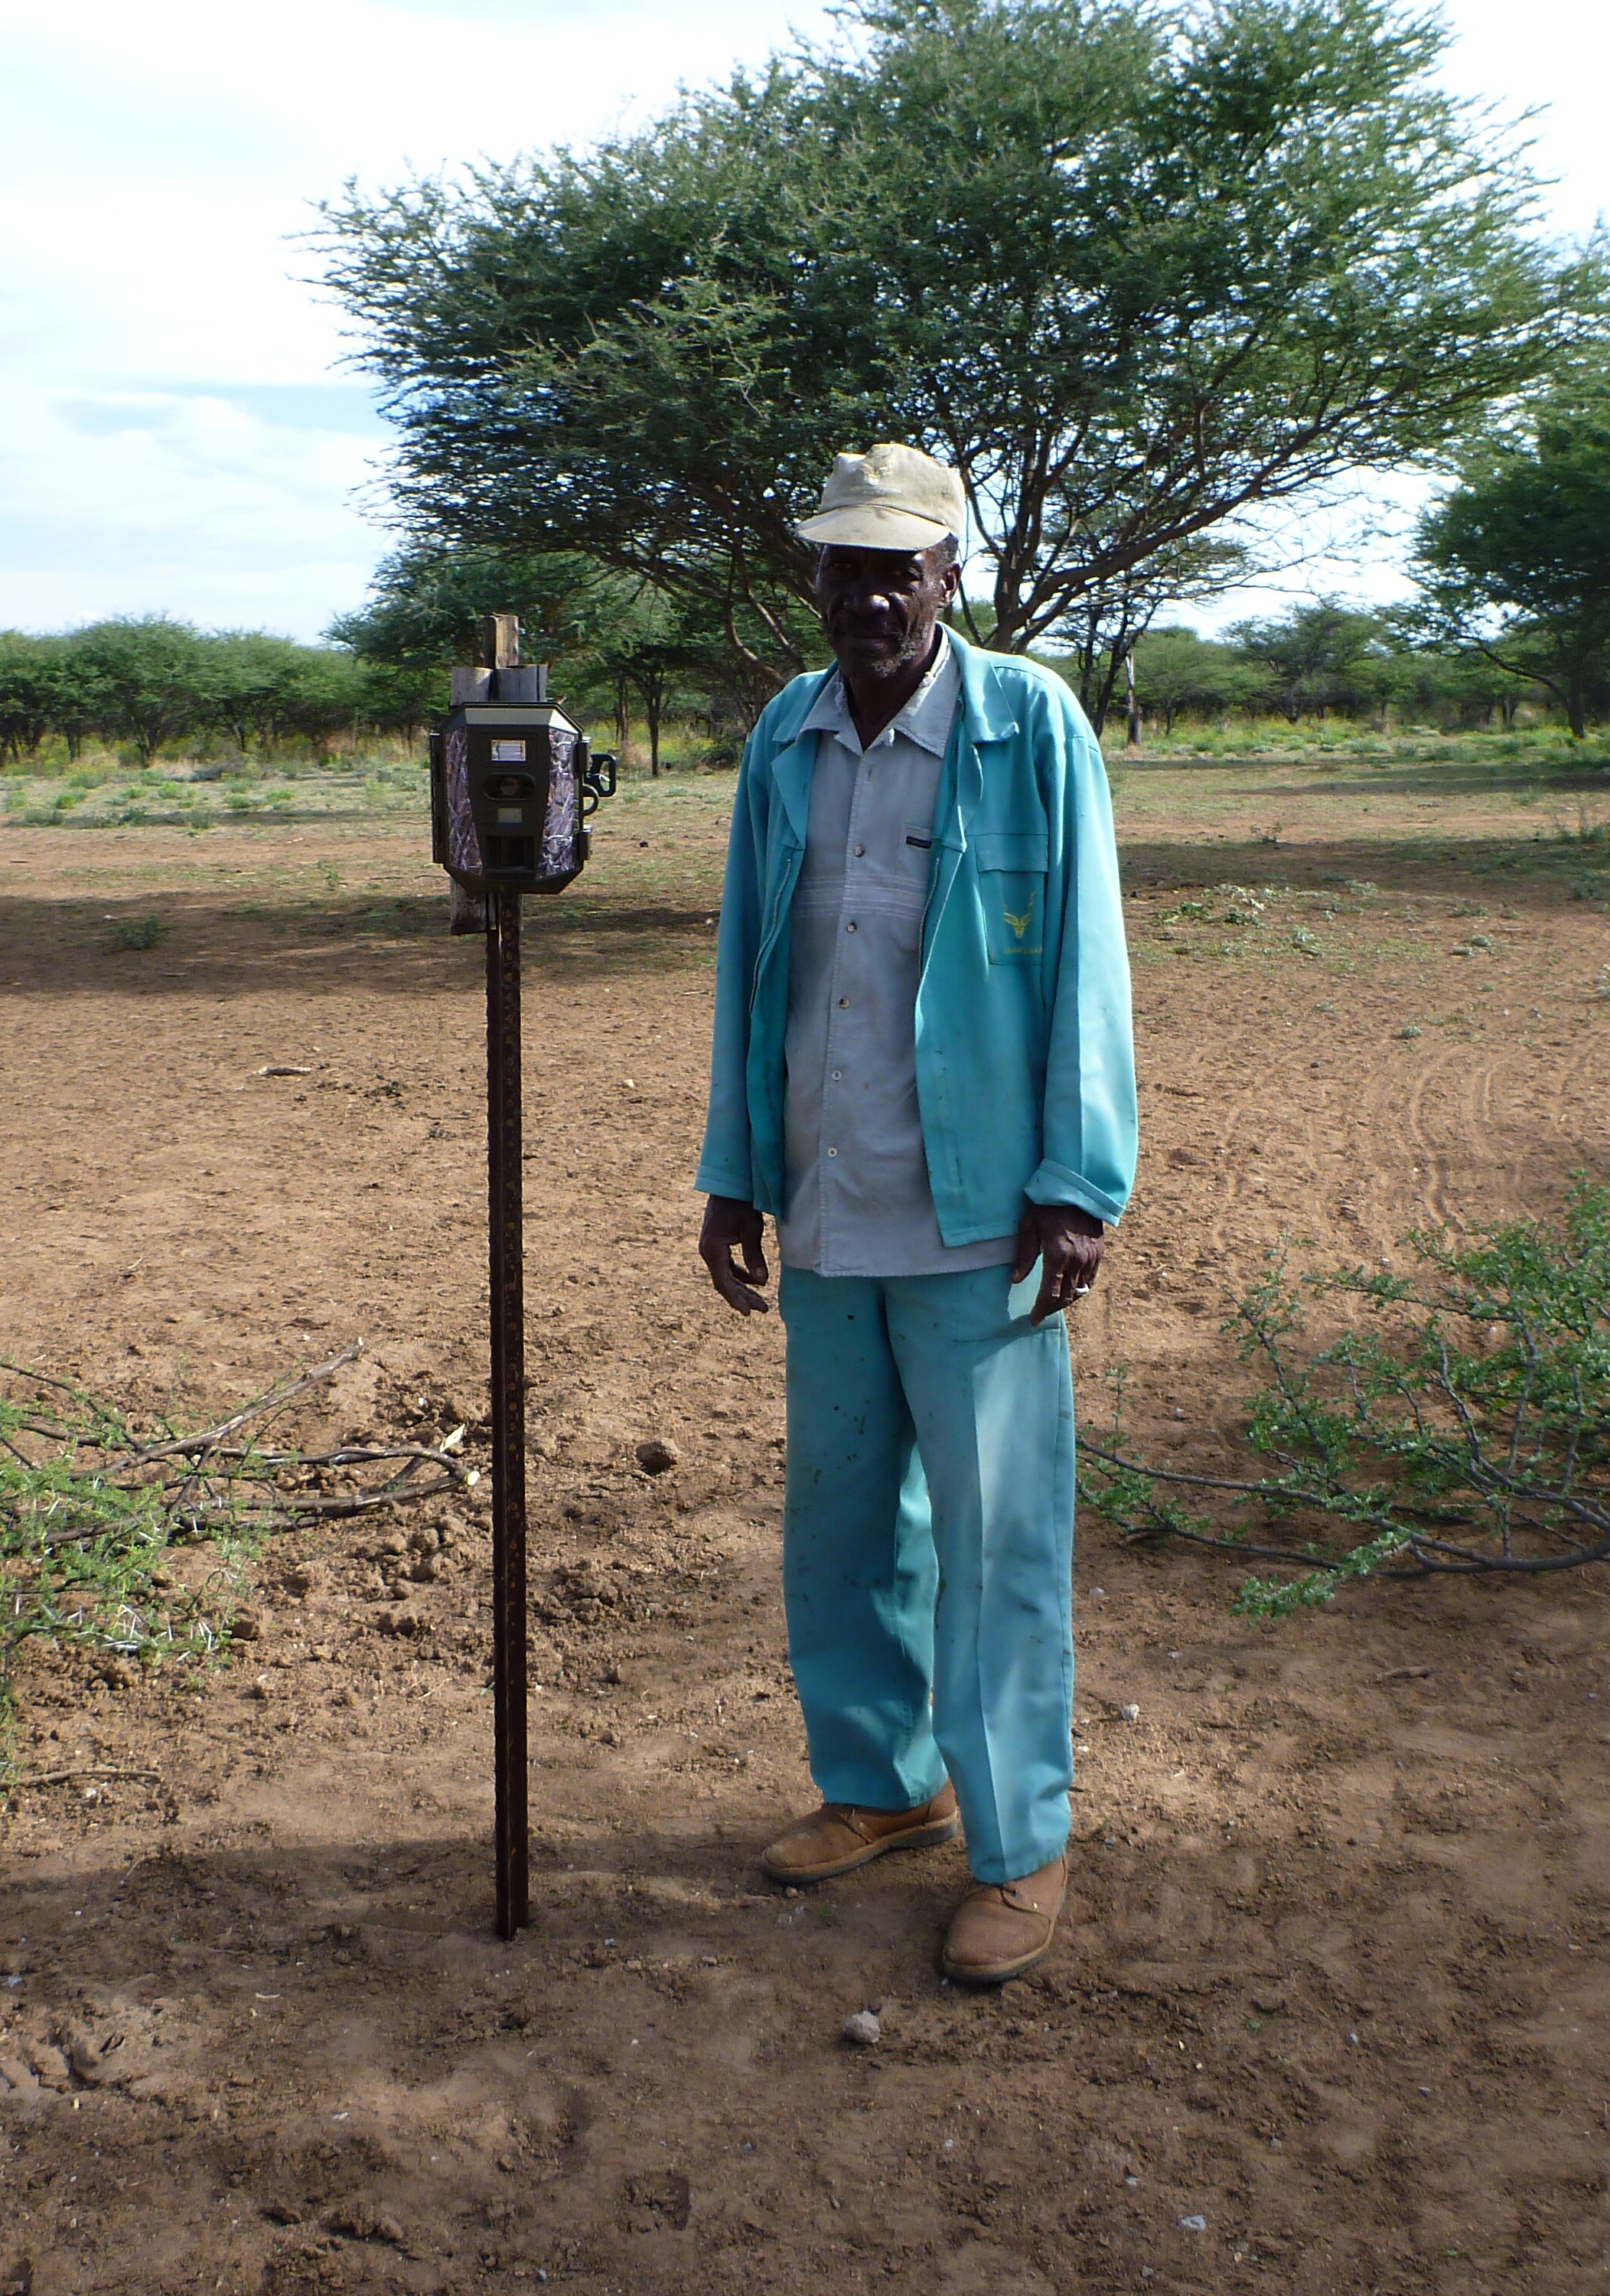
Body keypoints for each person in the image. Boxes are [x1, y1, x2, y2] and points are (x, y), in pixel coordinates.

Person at [693, 442, 1136, 1985]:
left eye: (901, 566)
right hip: (825, 1199)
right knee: (841, 1520)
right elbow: (752, 954)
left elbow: (1085, 960)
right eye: (843, 565)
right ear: (810, 580)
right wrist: (731, 1167)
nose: (870, 593)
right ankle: (882, 1787)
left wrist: (1076, 1181)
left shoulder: (1027, 726)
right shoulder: (784, 735)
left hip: (980, 1220)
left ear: (952, 575)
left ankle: (1021, 1846)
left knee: (998, 1539)